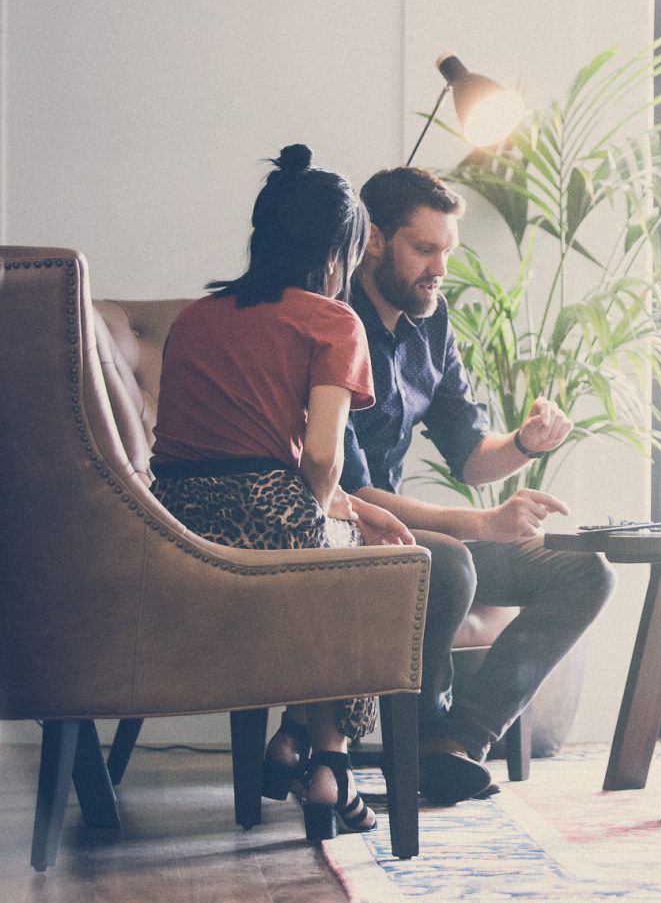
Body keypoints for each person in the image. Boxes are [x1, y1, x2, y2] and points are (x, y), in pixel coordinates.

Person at [150, 144, 413, 841]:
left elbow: (215, 455)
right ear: (338, 251)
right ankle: (328, 760)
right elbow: (322, 457)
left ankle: (294, 746)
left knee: (331, 552)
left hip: (171, 527)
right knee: (356, 574)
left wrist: (353, 508)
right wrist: (348, 513)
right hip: (267, 510)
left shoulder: (194, 318)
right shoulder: (333, 322)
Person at [341, 166, 616, 806]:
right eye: (425, 250)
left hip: (409, 533)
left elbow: (470, 456)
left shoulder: (430, 323)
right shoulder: (333, 324)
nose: (440, 268)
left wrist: (525, 443)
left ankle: (457, 742)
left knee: (587, 572)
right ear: (375, 241)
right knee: (450, 561)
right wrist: (487, 524)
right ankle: (425, 742)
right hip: (350, 528)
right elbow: (353, 492)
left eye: (448, 252)